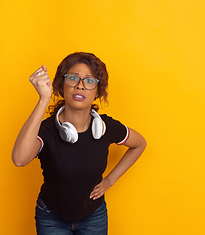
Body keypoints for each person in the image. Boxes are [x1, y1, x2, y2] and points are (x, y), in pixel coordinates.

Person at [12, 52, 147, 235]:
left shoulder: (106, 127)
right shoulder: (47, 130)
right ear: (61, 86)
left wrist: (109, 181)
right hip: (51, 217)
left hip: (94, 217)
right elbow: (19, 159)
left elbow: (139, 144)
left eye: (89, 81)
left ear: (98, 91)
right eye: (73, 78)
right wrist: (43, 99)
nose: (80, 86)